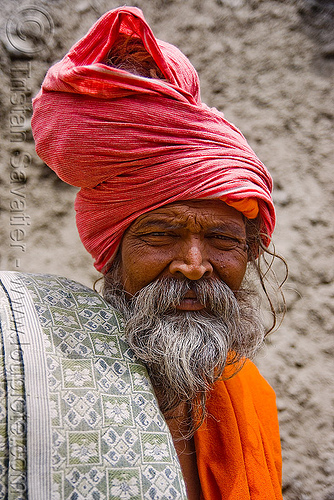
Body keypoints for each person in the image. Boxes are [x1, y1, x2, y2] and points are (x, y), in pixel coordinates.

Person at [0, 6, 285, 499]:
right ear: (112, 249)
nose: (194, 265)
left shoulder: (251, 397)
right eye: (160, 235)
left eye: (223, 241)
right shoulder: (33, 376)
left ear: (251, 253)